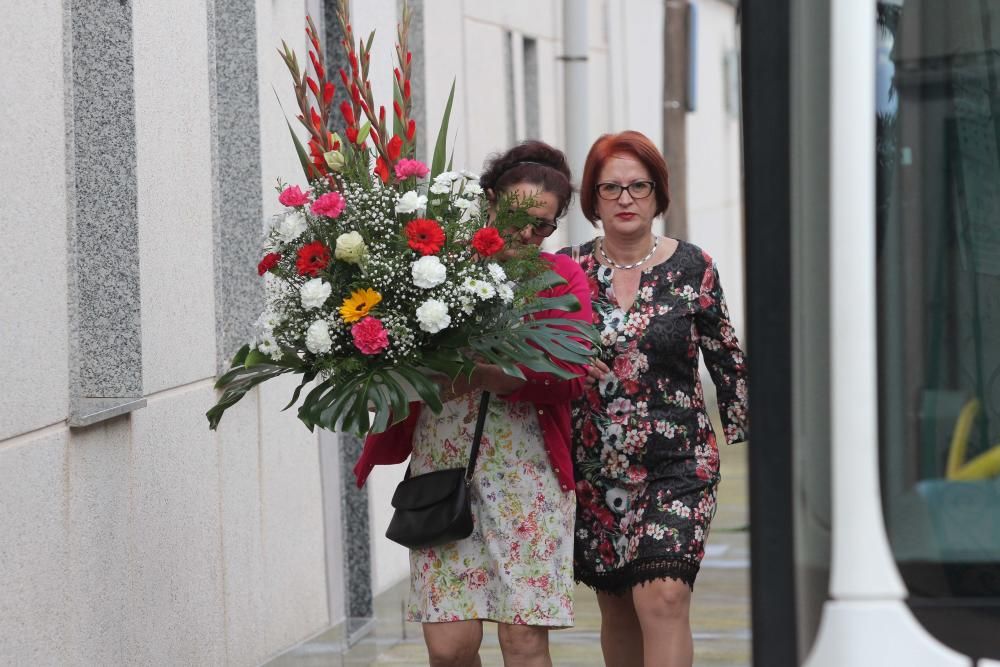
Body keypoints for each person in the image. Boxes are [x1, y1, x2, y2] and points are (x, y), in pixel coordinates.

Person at [354, 141, 593, 667]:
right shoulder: (431, 270)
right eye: (518, 217)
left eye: (545, 225)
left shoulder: (561, 280)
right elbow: (387, 355)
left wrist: (490, 376)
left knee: (523, 642)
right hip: (444, 468)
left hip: (528, 479)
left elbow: (572, 376)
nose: (529, 233)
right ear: (489, 202)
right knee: (449, 644)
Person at [559, 130, 749, 667]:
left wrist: (768, 444)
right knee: (618, 607)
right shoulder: (564, 270)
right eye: (611, 188)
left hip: (679, 465)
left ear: (657, 195)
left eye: (638, 186)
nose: (625, 199)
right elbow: (532, 360)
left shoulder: (694, 267)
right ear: (593, 200)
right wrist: (562, 362)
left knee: (664, 596)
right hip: (594, 469)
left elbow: (728, 359)